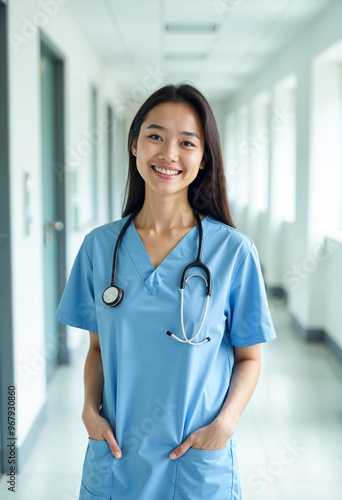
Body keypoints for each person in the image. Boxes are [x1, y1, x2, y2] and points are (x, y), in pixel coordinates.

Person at [55, 83, 276, 500]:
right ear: (134, 144)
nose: (169, 154)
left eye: (187, 142)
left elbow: (249, 358)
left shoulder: (233, 252)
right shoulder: (100, 248)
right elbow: (98, 350)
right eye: (155, 136)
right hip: (117, 457)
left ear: (203, 157)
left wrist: (225, 424)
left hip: (195, 459)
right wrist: (89, 409)